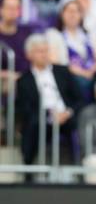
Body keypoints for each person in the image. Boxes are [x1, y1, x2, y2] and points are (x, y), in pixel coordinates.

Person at [16, 34, 83, 166]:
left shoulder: (63, 72)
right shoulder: (24, 80)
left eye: (46, 50)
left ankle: (78, 165)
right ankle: (28, 167)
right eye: (40, 51)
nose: (44, 54)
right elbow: (25, 108)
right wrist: (49, 115)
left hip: (67, 116)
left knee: (82, 121)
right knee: (32, 124)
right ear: (29, 55)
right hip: (41, 119)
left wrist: (67, 112)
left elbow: (78, 98)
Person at [46, 0, 96, 94]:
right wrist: (83, 73)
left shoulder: (90, 34)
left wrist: (91, 71)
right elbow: (55, 61)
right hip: (69, 76)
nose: (72, 15)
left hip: (93, 74)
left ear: (81, 15)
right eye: (69, 11)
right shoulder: (54, 34)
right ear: (62, 14)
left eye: (76, 11)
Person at [0, 0, 38, 74]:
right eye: (9, 8)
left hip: (25, 80)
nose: (13, 11)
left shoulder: (26, 32)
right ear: (1, 9)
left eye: (17, 8)